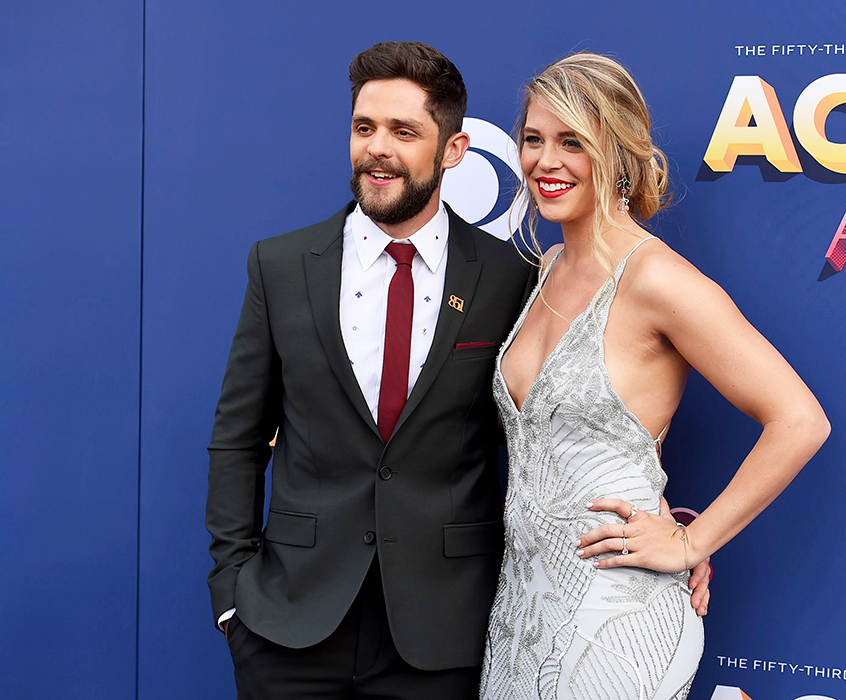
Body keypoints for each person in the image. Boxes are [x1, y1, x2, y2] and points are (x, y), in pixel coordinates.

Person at [206, 42, 712, 700]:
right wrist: (231, 595)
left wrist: (681, 531)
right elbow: (238, 438)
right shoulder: (279, 267)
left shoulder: (511, 278)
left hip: (443, 638)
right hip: (288, 626)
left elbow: (564, 424)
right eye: (365, 128)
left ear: (453, 150)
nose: (378, 148)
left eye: (404, 131)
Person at [480, 53, 830, 700]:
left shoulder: (659, 281)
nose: (544, 162)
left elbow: (800, 419)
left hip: (617, 615)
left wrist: (692, 541)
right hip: (523, 616)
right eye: (534, 139)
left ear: (618, 153)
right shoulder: (547, 265)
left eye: (573, 143)